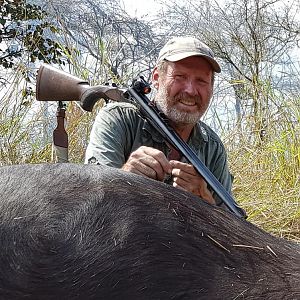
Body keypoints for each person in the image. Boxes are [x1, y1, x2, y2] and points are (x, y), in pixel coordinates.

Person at [85, 36, 240, 209]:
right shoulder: (118, 119)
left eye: (201, 81)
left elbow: (230, 227)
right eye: (180, 77)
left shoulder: (213, 147)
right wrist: (125, 176)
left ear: (211, 89)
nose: (190, 90)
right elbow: (91, 202)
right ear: (157, 78)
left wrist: (204, 201)